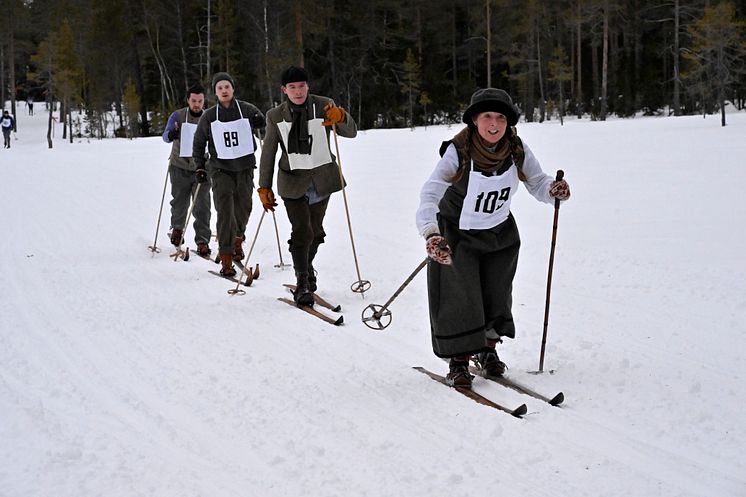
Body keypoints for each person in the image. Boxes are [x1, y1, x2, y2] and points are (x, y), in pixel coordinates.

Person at [415, 88, 571, 389]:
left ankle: (487, 351)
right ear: (475, 119)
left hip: (499, 232)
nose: (494, 124)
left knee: (496, 294)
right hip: (457, 233)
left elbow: (537, 182)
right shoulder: (458, 150)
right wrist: (431, 233)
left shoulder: (515, 148)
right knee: (459, 296)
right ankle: (458, 361)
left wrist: (553, 188)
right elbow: (430, 192)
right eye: (487, 116)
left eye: (501, 117)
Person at [257, 66, 357, 305]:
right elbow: (268, 153)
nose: (298, 91)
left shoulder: (324, 105)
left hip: (322, 178)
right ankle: (303, 281)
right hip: (292, 181)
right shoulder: (275, 115)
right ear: (284, 90)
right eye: (292, 87)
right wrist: (264, 186)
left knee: (316, 232)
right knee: (302, 231)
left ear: (308, 86)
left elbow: (350, 132)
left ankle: (307, 266)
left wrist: (341, 117)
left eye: (301, 86)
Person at [192, 72, 265, 276]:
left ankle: (237, 239)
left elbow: (265, 128)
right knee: (225, 212)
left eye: (227, 87)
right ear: (215, 92)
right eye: (219, 88)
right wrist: (199, 166)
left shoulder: (246, 109)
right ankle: (225, 257)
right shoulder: (209, 116)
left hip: (244, 167)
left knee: (244, 208)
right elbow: (198, 142)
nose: (224, 91)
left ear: (233, 89)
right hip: (221, 169)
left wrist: (260, 123)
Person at [162, 84, 212, 256]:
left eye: (200, 101)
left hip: (202, 167)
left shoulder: (209, 117)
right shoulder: (178, 116)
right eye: (193, 101)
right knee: (179, 201)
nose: (197, 104)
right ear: (188, 100)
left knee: (202, 205)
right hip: (179, 166)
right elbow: (165, 136)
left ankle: (202, 240)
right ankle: (177, 229)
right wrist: (171, 135)